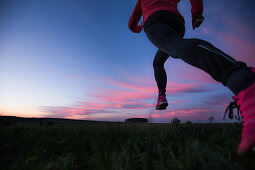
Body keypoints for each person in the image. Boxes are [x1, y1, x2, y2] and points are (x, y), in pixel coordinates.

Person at [128, 0, 255, 156]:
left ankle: (243, 80)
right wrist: (196, 13)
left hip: (154, 20)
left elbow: (132, 23)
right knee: (159, 61)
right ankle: (162, 96)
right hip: (176, 22)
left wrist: (139, 27)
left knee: (176, 47)